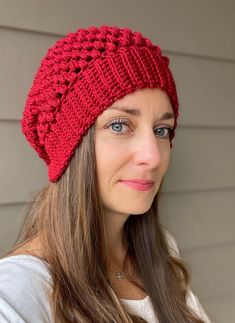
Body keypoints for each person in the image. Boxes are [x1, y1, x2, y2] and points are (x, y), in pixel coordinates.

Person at [0, 25, 212, 323]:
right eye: (119, 125)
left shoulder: (161, 251)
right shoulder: (15, 296)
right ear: (70, 147)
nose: (153, 157)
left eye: (162, 130)